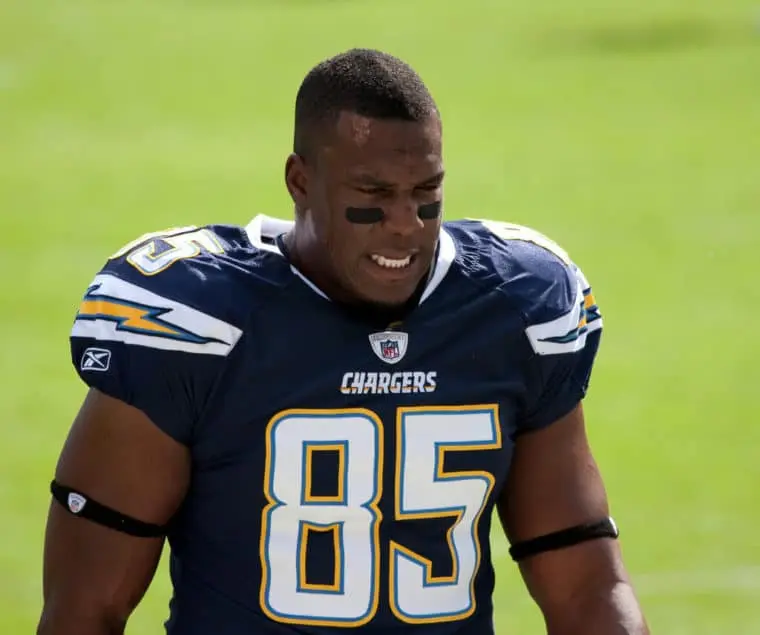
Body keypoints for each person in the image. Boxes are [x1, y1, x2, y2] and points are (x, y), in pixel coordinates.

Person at [38, 48, 649, 635]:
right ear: (300, 181)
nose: (406, 226)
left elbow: (586, 585)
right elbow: (86, 608)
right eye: (373, 196)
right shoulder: (192, 321)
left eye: (426, 193)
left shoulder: (512, 306)